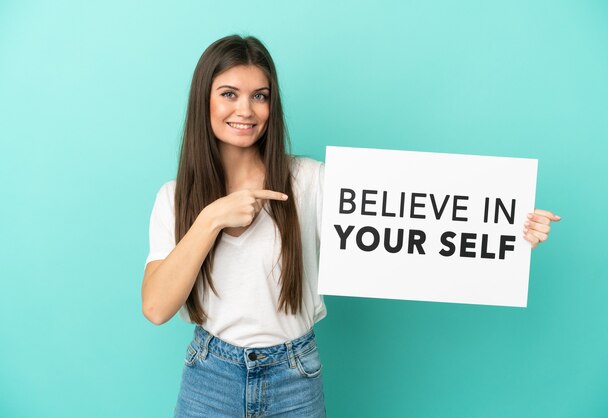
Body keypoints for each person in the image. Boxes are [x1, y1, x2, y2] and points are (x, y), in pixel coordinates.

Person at [142, 35, 560, 417]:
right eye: (229, 94)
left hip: (294, 376)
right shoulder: (174, 198)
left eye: (260, 96)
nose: (246, 110)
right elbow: (157, 307)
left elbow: (413, 219)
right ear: (205, 101)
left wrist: (507, 227)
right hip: (210, 376)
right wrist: (211, 218)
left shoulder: (309, 181)